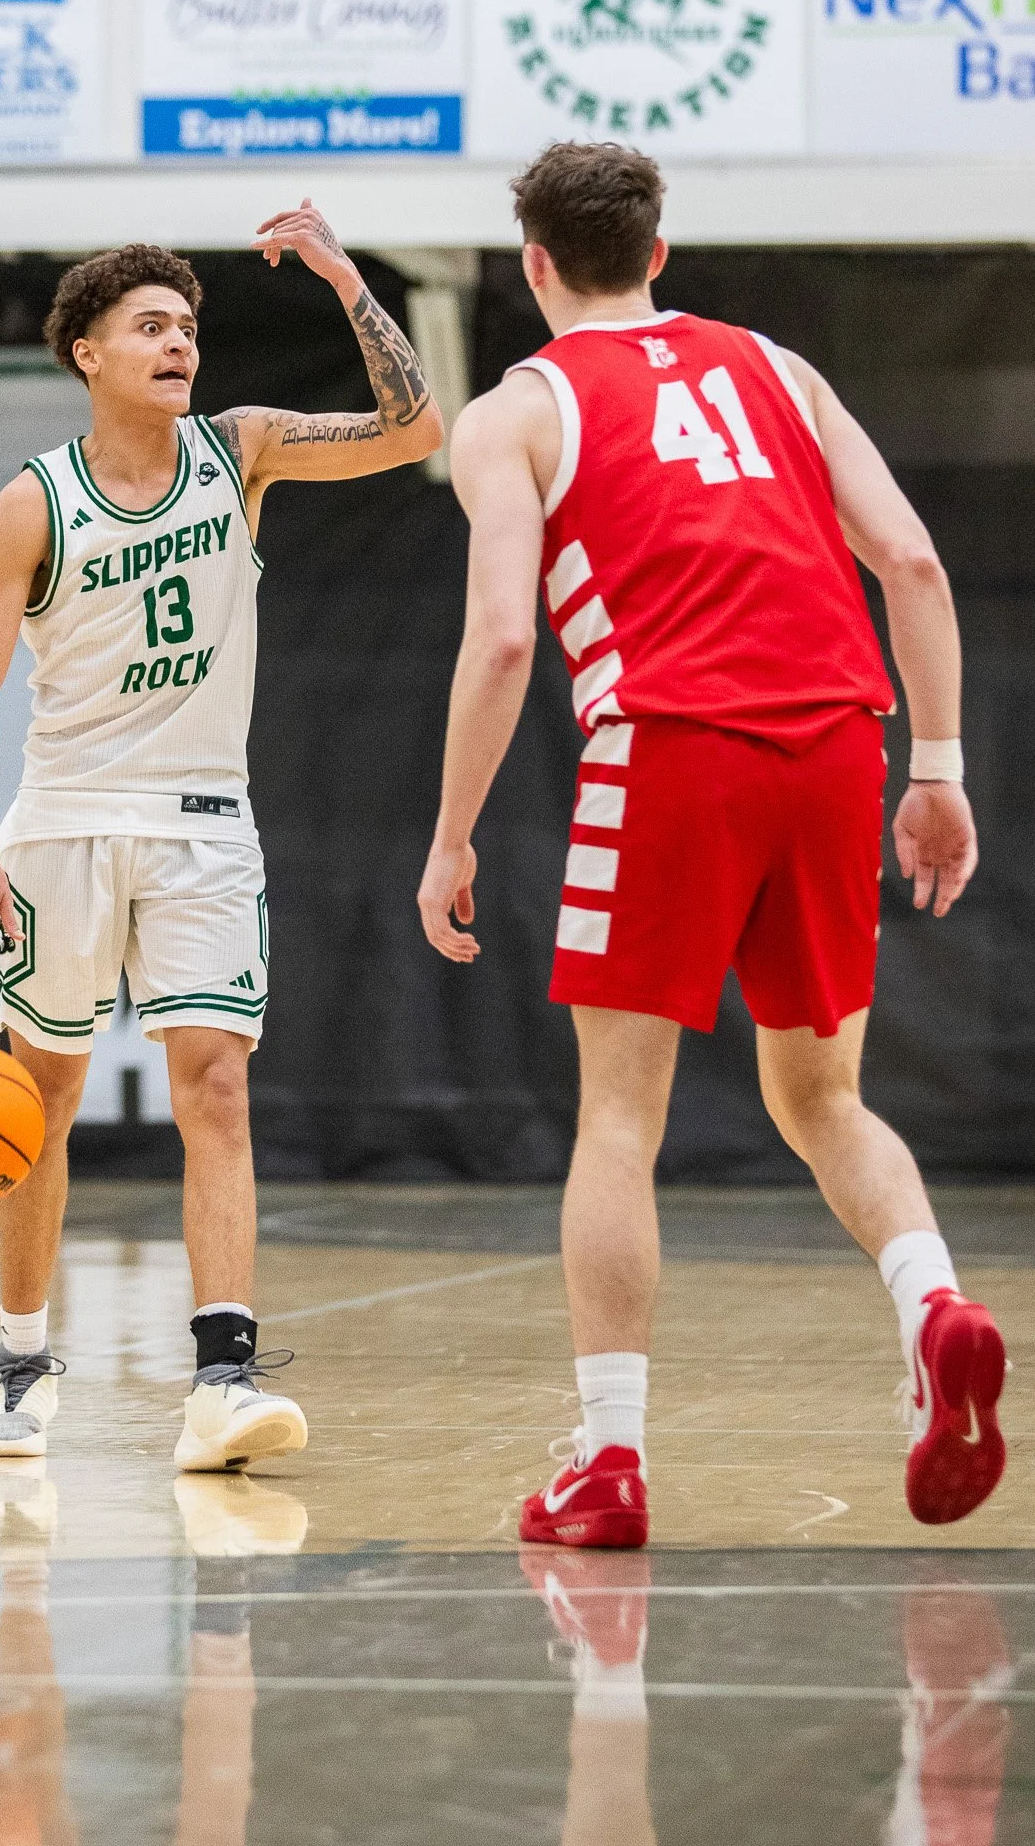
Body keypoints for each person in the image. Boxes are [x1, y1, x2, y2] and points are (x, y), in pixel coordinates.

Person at [417, 141, 1005, 1546]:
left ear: (535, 267)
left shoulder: (515, 411)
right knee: (822, 1097)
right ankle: (935, 1305)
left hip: (671, 743)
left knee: (622, 1115)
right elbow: (911, 562)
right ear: (659, 255)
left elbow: (503, 636)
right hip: (835, 740)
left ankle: (607, 1463)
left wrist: (448, 835)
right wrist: (938, 768)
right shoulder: (778, 367)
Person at [0, 205, 442, 1469]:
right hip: (64, 829)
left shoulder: (243, 451)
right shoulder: (33, 503)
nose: (179, 346)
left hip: (204, 825)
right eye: (149, 327)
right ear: (87, 353)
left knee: (215, 1084)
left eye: (189, 327)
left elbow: (418, 428)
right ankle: (24, 1356)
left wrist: (340, 277)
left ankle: (221, 1374)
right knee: (38, 1100)